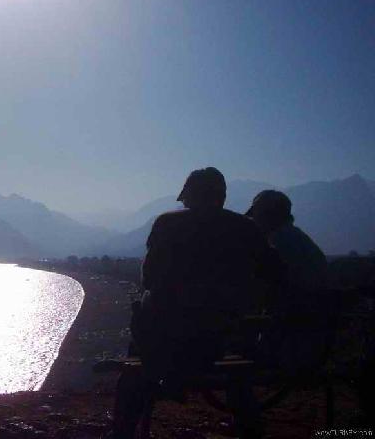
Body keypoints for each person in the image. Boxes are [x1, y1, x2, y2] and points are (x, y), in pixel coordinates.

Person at [111, 167, 285, 439]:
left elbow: (149, 278)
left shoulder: (167, 223)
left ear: (189, 196)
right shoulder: (246, 228)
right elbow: (274, 275)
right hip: (218, 341)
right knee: (238, 375)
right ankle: (250, 428)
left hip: (163, 342)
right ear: (222, 197)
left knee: (135, 365)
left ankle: (122, 431)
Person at [245, 190, 330, 374]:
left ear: (268, 216)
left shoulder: (276, 245)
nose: (254, 222)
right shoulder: (300, 241)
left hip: (287, 345)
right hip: (314, 342)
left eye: (257, 216)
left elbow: (260, 289)